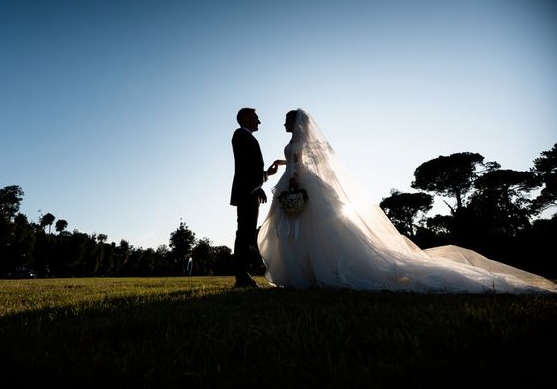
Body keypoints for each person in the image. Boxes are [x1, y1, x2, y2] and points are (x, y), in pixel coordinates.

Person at [257, 108, 557, 294]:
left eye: (286, 119)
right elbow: (301, 162)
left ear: (295, 122)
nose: (283, 123)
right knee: (321, 233)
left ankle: (307, 275)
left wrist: (292, 187)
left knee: (302, 232)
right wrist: (284, 168)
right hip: (307, 182)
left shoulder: (295, 142)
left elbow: (298, 166)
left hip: (299, 185)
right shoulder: (304, 143)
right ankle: (315, 272)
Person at [230, 107, 284, 288]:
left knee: (246, 233)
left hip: (249, 190)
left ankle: (242, 276)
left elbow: (251, 168)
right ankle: (242, 277)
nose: (259, 122)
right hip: (247, 192)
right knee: (244, 233)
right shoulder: (240, 135)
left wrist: (267, 173)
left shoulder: (246, 137)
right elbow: (243, 165)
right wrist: (255, 187)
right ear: (245, 118)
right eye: (256, 118)